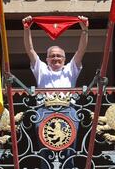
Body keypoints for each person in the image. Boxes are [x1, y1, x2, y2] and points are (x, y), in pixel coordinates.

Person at [22, 15, 88, 169]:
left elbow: (81, 50)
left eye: (59, 56)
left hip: (68, 110)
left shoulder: (71, 69)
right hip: (44, 111)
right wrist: (27, 29)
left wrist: (84, 29)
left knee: (69, 149)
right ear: (47, 59)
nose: (55, 58)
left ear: (65, 59)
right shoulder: (41, 69)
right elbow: (30, 49)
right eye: (52, 56)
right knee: (45, 150)